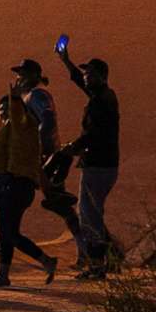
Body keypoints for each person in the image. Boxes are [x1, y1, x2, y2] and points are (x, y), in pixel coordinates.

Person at [0, 82, 59, 288]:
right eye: (1, 110)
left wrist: (15, 98)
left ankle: (38, 262)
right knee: (9, 231)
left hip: (17, 185)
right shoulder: (18, 132)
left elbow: (17, 116)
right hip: (14, 184)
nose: (3, 113)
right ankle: (8, 272)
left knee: (6, 231)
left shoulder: (22, 126)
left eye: (6, 109)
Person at [57, 42, 120, 273]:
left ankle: (96, 266)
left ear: (102, 76)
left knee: (89, 216)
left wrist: (72, 147)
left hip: (97, 166)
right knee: (94, 213)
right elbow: (80, 82)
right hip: (105, 165)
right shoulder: (105, 96)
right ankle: (112, 257)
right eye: (85, 73)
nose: (85, 77)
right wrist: (66, 61)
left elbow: (92, 135)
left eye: (90, 74)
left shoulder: (100, 102)